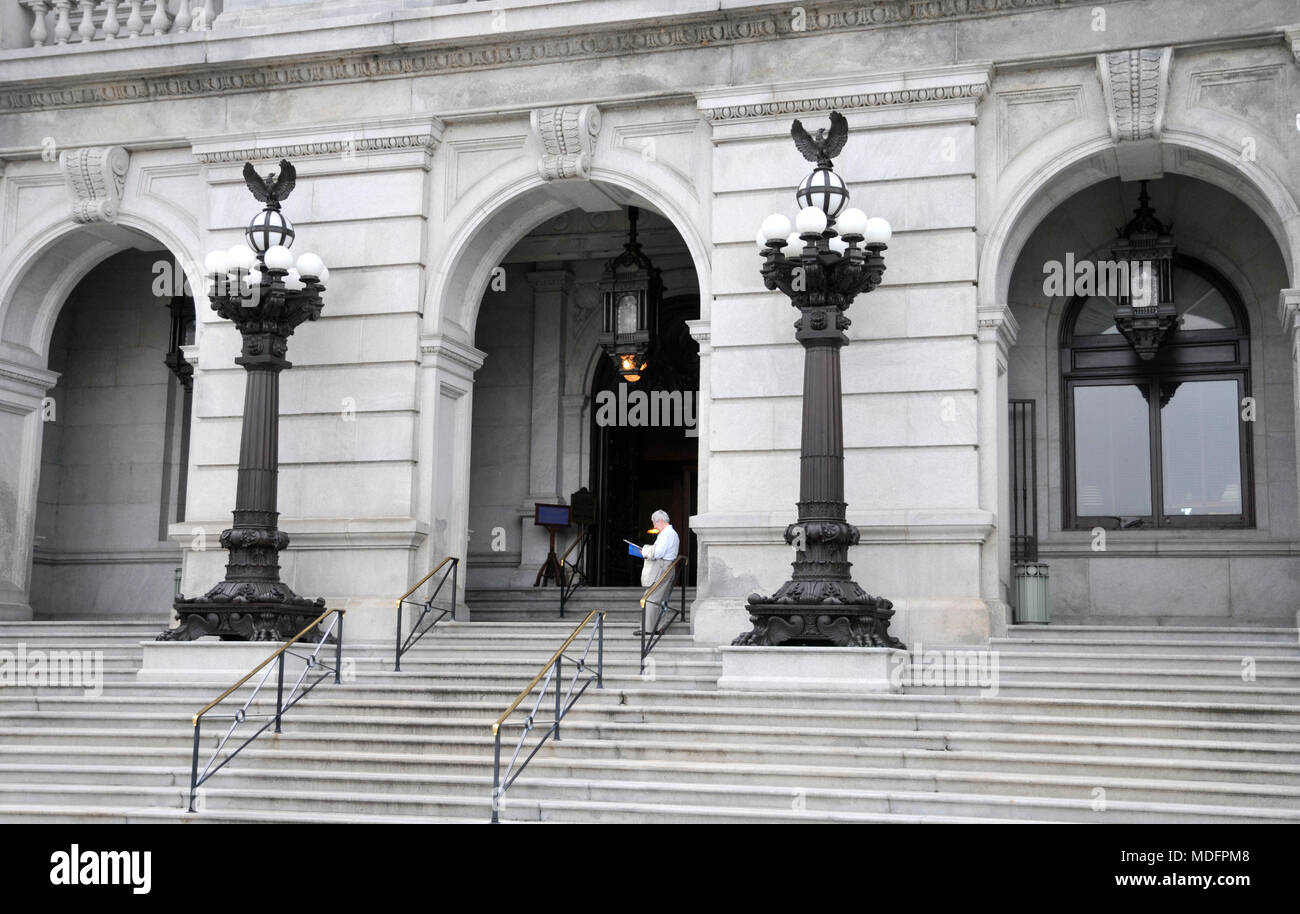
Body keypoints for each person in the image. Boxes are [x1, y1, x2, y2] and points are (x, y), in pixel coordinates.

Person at [638, 509, 680, 635]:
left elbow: (657, 553)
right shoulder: (670, 533)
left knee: (650, 597)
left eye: (654, 523)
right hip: (666, 567)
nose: (654, 526)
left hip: (662, 567)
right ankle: (658, 626)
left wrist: (644, 551)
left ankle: (648, 629)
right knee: (660, 598)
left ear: (660, 521)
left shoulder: (666, 534)